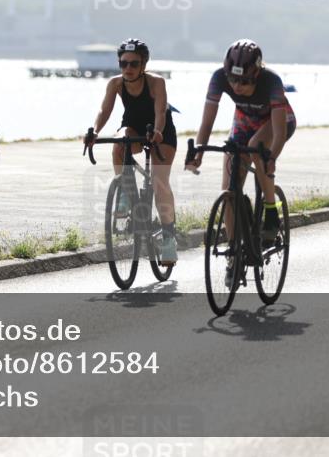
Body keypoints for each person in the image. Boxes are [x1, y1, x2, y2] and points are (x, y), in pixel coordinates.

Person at [186, 39, 296, 281]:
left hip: (277, 121)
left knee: (257, 149)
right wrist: (198, 153)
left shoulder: (272, 82)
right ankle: (234, 255)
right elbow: (207, 122)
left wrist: (272, 158)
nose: (237, 86)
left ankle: (269, 211)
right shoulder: (218, 78)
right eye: (232, 79)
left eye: (244, 81)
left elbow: (278, 132)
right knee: (228, 187)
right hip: (245, 119)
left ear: (257, 73)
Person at [87, 39, 179, 265]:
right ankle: (126, 192)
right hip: (133, 127)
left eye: (134, 64)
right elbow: (104, 109)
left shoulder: (156, 82)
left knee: (159, 182)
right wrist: (95, 131)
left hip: (161, 132)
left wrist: (157, 131)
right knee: (120, 142)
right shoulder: (115, 84)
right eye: (123, 63)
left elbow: (160, 111)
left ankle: (169, 239)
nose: (128, 69)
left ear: (144, 64)